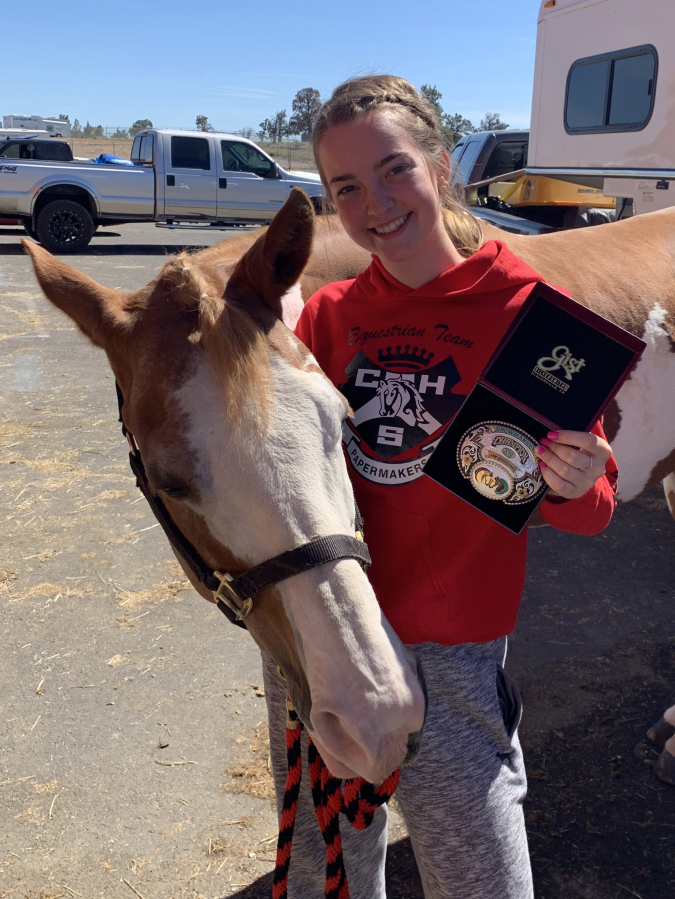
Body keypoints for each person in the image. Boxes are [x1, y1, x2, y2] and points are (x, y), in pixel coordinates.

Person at [262, 75, 618, 899]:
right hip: (325, 639)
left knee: (479, 875)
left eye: (393, 170)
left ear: (441, 166)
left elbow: (591, 510)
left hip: (450, 657)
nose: (374, 202)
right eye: (346, 186)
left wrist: (571, 477)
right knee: (329, 872)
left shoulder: (533, 313)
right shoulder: (329, 316)